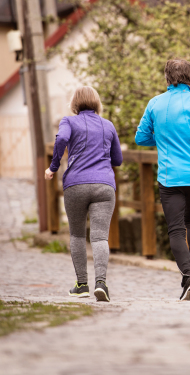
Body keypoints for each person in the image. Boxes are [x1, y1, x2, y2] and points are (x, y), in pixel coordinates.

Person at [135, 59, 190, 301]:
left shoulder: (155, 103)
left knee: (175, 229)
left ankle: (189, 276)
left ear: (167, 79)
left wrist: (162, 140)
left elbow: (141, 137)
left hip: (169, 176)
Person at [45, 86, 123, 302]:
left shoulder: (69, 122)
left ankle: (82, 285)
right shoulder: (108, 125)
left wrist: (53, 167)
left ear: (74, 104)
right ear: (97, 103)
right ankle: (101, 283)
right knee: (99, 236)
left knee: (77, 235)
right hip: (104, 186)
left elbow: (61, 140)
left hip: (76, 184)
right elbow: (118, 160)